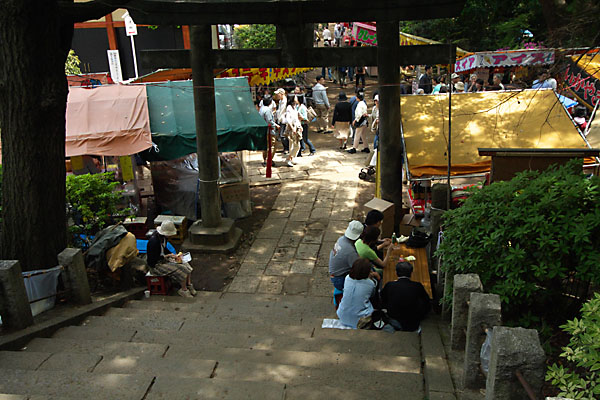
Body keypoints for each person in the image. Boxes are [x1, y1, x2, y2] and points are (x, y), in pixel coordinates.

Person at [147, 221, 195, 298]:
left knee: (185, 264)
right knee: (181, 270)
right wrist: (167, 256)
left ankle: (188, 284)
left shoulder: (163, 238)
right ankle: (183, 289)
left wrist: (173, 255)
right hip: (156, 265)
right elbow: (154, 258)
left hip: (164, 259)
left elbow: (164, 249)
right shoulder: (154, 242)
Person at [381, 261, 431, 332]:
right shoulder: (417, 286)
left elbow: (383, 299)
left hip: (393, 316)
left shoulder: (389, 285)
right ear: (411, 273)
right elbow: (427, 302)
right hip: (413, 319)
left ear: (396, 272)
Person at [336, 258, 381, 329]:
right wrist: (377, 279)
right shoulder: (370, 283)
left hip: (342, 315)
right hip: (360, 320)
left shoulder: (347, 278)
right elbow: (372, 295)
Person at [329, 220, 363, 292]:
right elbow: (358, 268)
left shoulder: (341, 239)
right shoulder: (350, 251)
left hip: (334, 275)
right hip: (340, 279)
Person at [258, 96, 279, 167]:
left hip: (263, 130)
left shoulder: (261, 109)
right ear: (270, 103)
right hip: (269, 130)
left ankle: (265, 159)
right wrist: (276, 125)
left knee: (266, 145)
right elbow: (270, 121)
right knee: (272, 145)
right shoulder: (267, 110)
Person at [284, 94, 303, 167]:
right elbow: (288, 119)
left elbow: (296, 118)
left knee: (295, 145)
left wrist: (299, 126)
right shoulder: (289, 107)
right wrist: (292, 128)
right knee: (295, 145)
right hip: (292, 128)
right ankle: (289, 159)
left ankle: (291, 158)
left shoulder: (295, 107)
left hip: (296, 127)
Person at [274, 88, 289, 154]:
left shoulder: (286, 101)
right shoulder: (280, 101)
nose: (277, 95)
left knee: (283, 135)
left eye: (278, 94)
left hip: (284, 120)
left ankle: (287, 148)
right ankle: (285, 147)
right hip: (280, 120)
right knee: (281, 135)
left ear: (282, 94)